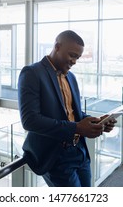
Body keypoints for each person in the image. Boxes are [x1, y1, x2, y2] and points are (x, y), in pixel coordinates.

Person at [18, 30, 116, 187]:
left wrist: (96, 122)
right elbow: (30, 120)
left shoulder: (71, 77)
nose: (74, 61)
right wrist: (76, 128)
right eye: (72, 55)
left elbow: (73, 114)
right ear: (57, 46)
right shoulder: (32, 73)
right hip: (55, 156)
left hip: (80, 151)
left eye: (77, 57)